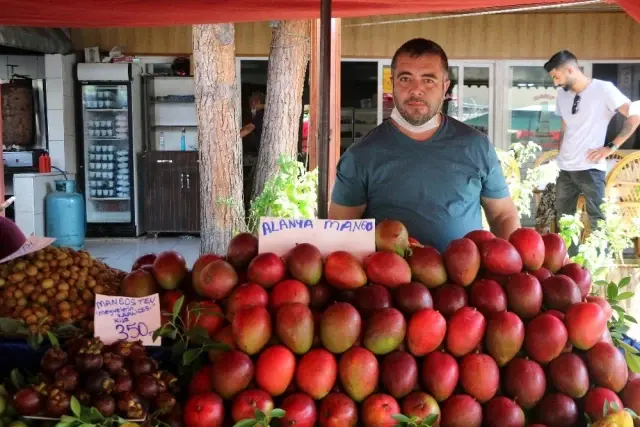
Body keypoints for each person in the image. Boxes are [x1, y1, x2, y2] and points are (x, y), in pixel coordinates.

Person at [328, 38, 520, 253]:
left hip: (467, 283)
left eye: (428, 80)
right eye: (405, 78)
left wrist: (512, 264)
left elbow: (503, 214)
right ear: (392, 83)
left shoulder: (476, 146)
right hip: (390, 284)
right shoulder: (360, 155)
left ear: (445, 86)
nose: (416, 90)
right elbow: (341, 232)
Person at [543, 50, 640, 243]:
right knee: (564, 221)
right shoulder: (562, 96)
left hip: (591, 168)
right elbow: (565, 127)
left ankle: (596, 269)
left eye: (557, 76)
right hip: (565, 168)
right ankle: (568, 267)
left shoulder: (604, 89)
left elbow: (634, 115)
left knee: (598, 222)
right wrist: (559, 154)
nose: (555, 83)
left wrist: (611, 147)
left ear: (570, 69)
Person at [240, 91, 266, 156]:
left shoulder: (261, 114)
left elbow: (249, 128)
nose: (250, 103)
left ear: (257, 102)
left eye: (251, 100)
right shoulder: (257, 114)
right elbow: (249, 126)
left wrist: (231, 139)